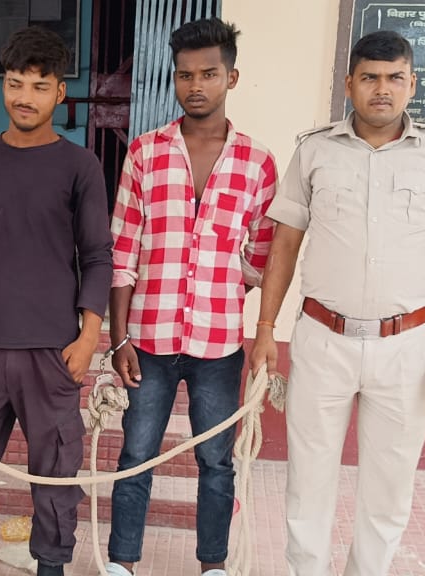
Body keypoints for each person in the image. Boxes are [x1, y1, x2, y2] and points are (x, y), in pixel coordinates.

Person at [248, 30, 425, 576]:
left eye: (395, 78)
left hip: (404, 347)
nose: (383, 89)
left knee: (389, 487)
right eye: (370, 78)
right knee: (308, 482)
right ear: (349, 83)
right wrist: (265, 329)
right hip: (322, 339)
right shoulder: (314, 151)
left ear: (412, 84)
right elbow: (285, 244)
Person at [0, 26, 113, 576]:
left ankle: (51, 565)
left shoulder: (79, 165)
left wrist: (88, 336)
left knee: (55, 468)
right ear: (3, 86)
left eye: (39, 86)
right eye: (14, 83)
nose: (24, 97)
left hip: (52, 348)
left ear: (60, 92)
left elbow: (97, 254)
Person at [103, 18, 278, 576]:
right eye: (185, 75)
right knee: (136, 455)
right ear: (174, 78)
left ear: (232, 77)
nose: (196, 85)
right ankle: (122, 563)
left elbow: (262, 254)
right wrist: (119, 338)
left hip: (219, 345)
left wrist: (222, 288)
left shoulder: (258, 163)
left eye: (209, 73)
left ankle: (213, 566)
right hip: (148, 341)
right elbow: (122, 251)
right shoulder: (144, 153)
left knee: (216, 461)